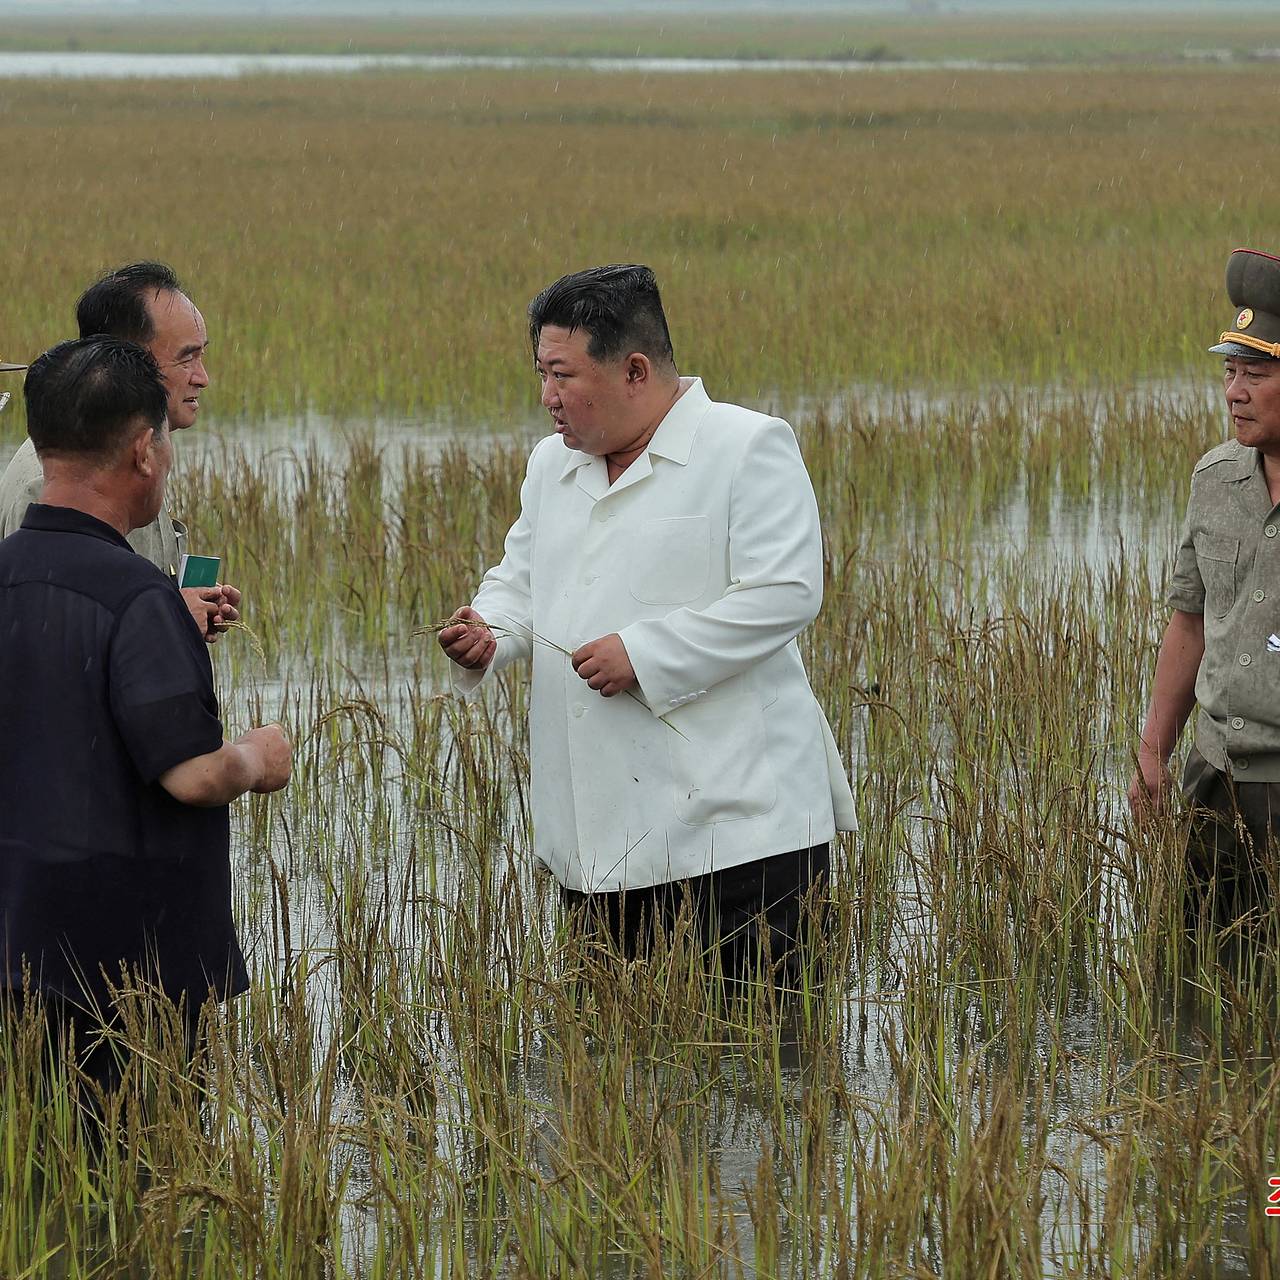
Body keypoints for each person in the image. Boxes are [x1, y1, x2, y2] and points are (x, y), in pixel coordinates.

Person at [439, 264, 855, 983]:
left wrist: (644, 654)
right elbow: (522, 581)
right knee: (612, 1074)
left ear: (635, 370)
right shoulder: (551, 467)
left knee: (763, 1068)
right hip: (599, 842)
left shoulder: (746, 446)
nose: (547, 398)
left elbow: (785, 592)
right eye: (540, 374)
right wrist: (491, 633)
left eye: (563, 376)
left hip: (740, 841)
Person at [0, 336, 291, 1092]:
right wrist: (260, 756)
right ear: (142, 452)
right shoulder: (139, 599)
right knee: (145, 1175)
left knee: (40, 1169)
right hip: (127, 980)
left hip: (15, 950)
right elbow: (193, 775)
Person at [1130, 246, 1280, 923]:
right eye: (1229, 371)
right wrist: (1154, 754)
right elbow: (1189, 620)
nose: (1233, 392)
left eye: (1256, 373)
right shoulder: (1215, 479)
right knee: (1202, 986)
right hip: (1213, 787)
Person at [0, 262, 239, 643]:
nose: (202, 377)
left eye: (202, 356)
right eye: (186, 357)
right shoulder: (52, 478)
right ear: (127, 364)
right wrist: (173, 620)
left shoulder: (131, 454)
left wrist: (187, 606)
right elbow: (47, 645)